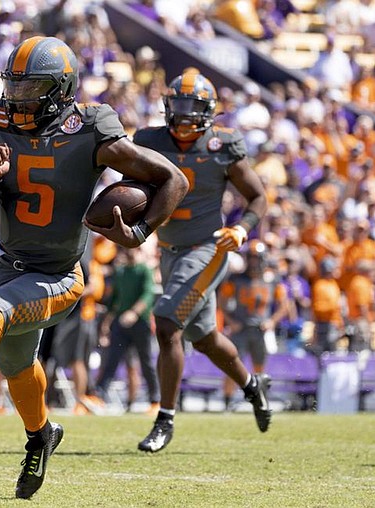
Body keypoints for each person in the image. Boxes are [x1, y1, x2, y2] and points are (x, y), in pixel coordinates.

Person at [0, 36, 187, 499]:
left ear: (61, 89)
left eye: (31, 88)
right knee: (17, 366)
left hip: (57, 275)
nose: (18, 98)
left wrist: (139, 232)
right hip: (6, 265)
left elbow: (173, 178)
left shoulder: (90, 128)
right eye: (13, 86)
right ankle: (41, 435)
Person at [132, 68, 271, 453]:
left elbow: (257, 197)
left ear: (209, 111)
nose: (183, 114)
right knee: (204, 338)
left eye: (192, 107)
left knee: (166, 322)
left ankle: (165, 420)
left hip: (209, 250)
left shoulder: (223, 146)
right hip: (169, 252)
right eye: (177, 104)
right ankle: (251, 384)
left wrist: (242, 229)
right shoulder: (149, 140)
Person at [218, 240, 289, 409]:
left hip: (260, 331)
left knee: (260, 369)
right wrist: (230, 321)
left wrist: (272, 321)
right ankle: (227, 402)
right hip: (240, 329)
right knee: (232, 366)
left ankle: (260, 402)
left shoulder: (272, 280)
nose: (253, 262)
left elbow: (285, 305)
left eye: (256, 258)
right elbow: (221, 301)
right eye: (251, 258)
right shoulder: (235, 279)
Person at [95, 246, 160, 414]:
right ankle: (98, 397)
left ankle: (155, 401)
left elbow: (147, 295)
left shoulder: (144, 270)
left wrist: (134, 313)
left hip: (141, 323)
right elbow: (114, 299)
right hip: (121, 324)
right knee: (111, 361)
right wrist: (106, 323)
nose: (129, 252)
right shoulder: (120, 271)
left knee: (145, 363)